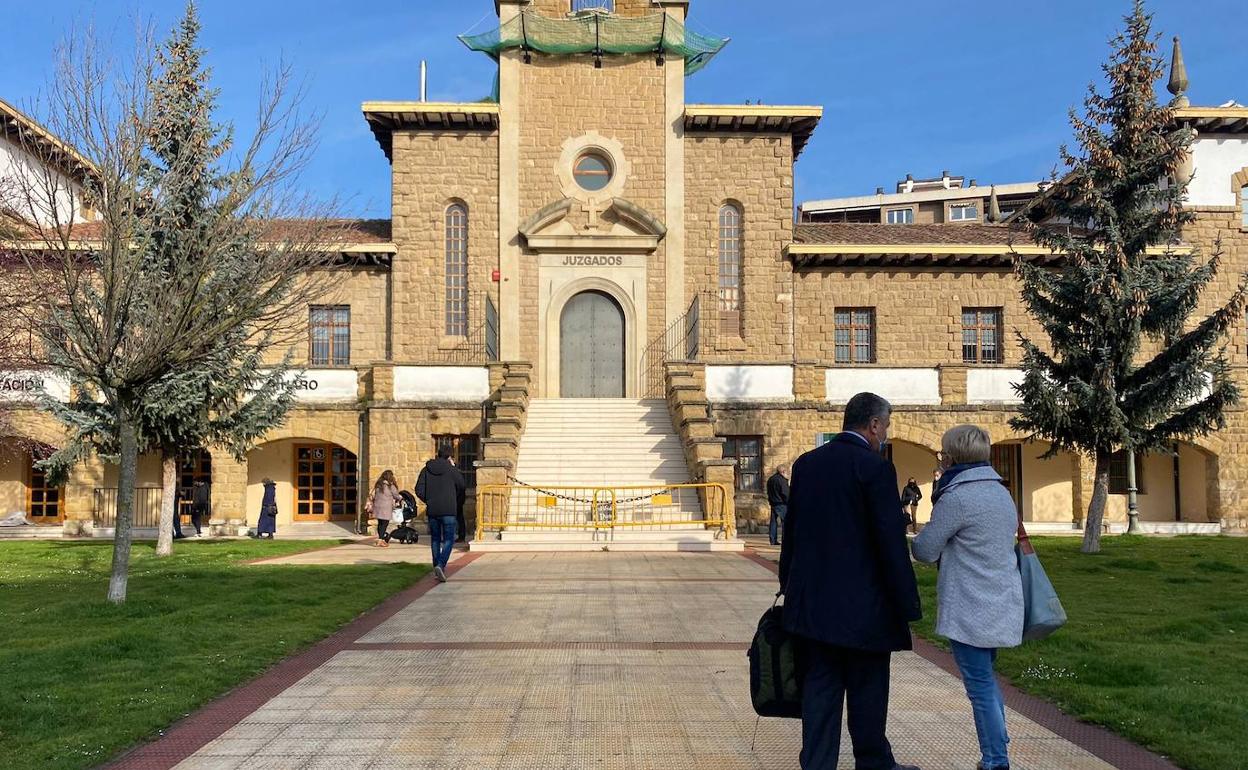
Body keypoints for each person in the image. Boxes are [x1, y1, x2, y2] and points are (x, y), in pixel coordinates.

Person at [780, 391, 922, 770]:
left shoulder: (806, 465)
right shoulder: (875, 468)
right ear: (873, 425)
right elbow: (889, 544)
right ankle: (874, 763)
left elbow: (791, 532)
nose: (886, 435)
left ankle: (817, 763)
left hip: (814, 607)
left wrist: (788, 587)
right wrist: (907, 603)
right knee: (868, 694)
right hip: (866, 610)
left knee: (820, 694)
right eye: (886, 427)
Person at [911, 425, 1023, 770]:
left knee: (980, 687)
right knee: (986, 680)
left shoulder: (958, 496)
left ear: (953, 456)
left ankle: (995, 760)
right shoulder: (1001, 492)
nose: (941, 459)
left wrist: (917, 538)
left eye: (943, 453)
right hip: (1001, 600)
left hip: (971, 606)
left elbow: (926, 550)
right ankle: (997, 749)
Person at [416, 446, 466, 583]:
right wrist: (454, 499)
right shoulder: (451, 469)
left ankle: (437, 567)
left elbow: (418, 489)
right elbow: (462, 485)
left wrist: (429, 500)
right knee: (449, 539)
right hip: (449, 509)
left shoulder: (426, 469)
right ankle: (441, 564)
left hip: (433, 509)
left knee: (435, 539)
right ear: (449, 456)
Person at [367, 469, 402, 548]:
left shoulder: (378, 485)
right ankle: (380, 540)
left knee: (380, 523)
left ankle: (380, 539)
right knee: (384, 524)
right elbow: (396, 495)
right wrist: (400, 498)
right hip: (386, 508)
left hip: (378, 506)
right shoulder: (390, 486)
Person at [765, 463, 790, 546]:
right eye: (787, 472)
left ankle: (773, 540)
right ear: (783, 472)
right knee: (785, 522)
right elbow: (785, 493)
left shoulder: (771, 479)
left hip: (773, 503)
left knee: (773, 522)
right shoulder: (782, 480)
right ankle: (786, 540)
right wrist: (789, 501)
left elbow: (768, 491)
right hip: (781, 504)